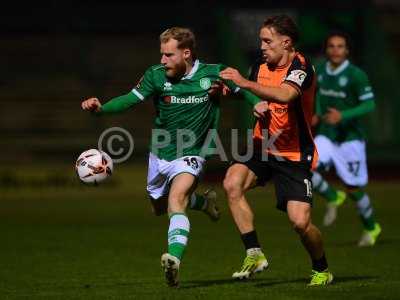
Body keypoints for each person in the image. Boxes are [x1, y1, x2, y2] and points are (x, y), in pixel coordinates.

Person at [81, 27, 260, 287]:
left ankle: (174, 259)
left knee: (176, 199)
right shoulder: (156, 75)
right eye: (161, 55)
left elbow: (242, 89)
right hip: (160, 153)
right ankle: (203, 203)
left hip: (192, 153)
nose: (162, 60)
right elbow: (129, 100)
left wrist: (257, 103)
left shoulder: (214, 73)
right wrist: (101, 109)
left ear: (186, 53)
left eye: (168, 55)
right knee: (158, 207)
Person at [219, 15, 333, 286]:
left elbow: (285, 95)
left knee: (300, 223)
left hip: (294, 153)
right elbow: (250, 92)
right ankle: (254, 253)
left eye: (267, 41)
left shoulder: (301, 66)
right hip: (263, 144)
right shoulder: (260, 65)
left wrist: (244, 84)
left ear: (286, 42)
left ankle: (321, 268)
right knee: (232, 184)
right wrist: (228, 89)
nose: (262, 46)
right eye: (261, 40)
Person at [311, 31, 381, 246]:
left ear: (347, 50)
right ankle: (332, 196)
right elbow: (317, 95)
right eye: (331, 46)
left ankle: (371, 227)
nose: (335, 50)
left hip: (350, 139)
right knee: (305, 166)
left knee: (353, 189)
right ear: (327, 49)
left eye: (340, 46)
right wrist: (317, 113)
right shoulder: (320, 70)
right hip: (327, 135)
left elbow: (369, 104)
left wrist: (343, 115)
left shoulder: (356, 75)